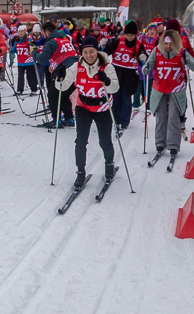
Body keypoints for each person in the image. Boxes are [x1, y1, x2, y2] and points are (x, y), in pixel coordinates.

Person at [57, 36, 119, 188]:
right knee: (80, 141)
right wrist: (59, 77)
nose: (89, 55)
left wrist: (107, 81)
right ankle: (80, 172)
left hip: (102, 108)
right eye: (85, 52)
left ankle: (109, 164)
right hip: (83, 107)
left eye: (92, 51)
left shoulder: (107, 67)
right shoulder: (76, 67)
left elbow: (114, 88)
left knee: (104, 141)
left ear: (97, 51)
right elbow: (62, 87)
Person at [142, 26, 194, 162]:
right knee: (160, 117)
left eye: (171, 44)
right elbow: (147, 66)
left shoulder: (182, 52)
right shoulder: (156, 51)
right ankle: (160, 144)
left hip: (176, 89)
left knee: (174, 118)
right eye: (166, 43)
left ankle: (173, 146)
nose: (168, 46)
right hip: (160, 88)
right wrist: (147, 68)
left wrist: (187, 61)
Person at [35, 20, 78, 128]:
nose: (42, 36)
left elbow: (41, 59)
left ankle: (56, 120)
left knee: (53, 94)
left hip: (67, 70)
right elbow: (64, 54)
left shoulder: (51, 42)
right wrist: (54, 67)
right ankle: (69, 118)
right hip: (77, 69)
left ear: (47, 32)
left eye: (42, 33)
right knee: (63, 94)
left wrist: (33, 51)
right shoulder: (64, 38)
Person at [104, 20, 143, 131]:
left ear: (136, 35)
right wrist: (104, 51)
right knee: (116, 96)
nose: (129, 37)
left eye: (132, 35)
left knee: (126, 97)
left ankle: (124, 120)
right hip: (117, 72)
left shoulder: (139, 45)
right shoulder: (119, 41)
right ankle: (115, 118)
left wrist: (143, 59)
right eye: (127, 35)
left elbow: (143, 58)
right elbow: (107, 50)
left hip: (131, 75)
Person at [13, 24, 38, 95]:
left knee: (30, 76)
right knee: (20, 77)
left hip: (29, 61)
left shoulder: (29, 40)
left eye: (22, 31)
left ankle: (33, 89)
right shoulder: (17, 41)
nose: (20, 33)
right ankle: (20, 89)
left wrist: (32, 49)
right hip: (20, 62)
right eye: (19, 32)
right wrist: (10, 50)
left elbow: (33, 47)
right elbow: (14, 50)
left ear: (25, 32)